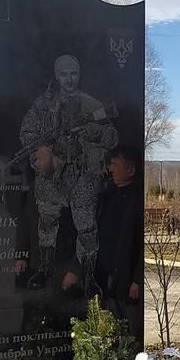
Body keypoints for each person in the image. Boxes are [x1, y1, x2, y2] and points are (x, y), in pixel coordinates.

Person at [18, 54, 118, 295]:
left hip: (82, 173)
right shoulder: (44, 105)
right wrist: (45, 149)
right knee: (47, 222)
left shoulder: (91, 105)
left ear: (79, 75)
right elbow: (27, 132)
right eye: (64, 74)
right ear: (57, 76)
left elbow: (111, 136)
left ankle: (88, 278)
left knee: (87, 228)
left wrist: (92, 132)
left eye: (73, 73)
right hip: (53, 174)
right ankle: (45, 269)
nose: (69, 79)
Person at [63, 144, 144, 339]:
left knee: (130, 334)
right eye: (110, 164)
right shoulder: (105, 198)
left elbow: (143, 244)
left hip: (127, 283)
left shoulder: (138, 199)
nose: (110, 169)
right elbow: (90, 236)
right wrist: (76, 269)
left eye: (115, 164)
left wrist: (137, 280)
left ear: (130, 169)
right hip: (102, 281)